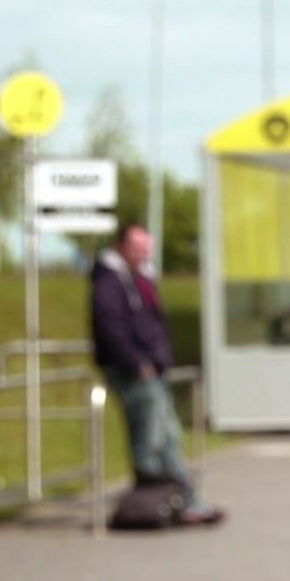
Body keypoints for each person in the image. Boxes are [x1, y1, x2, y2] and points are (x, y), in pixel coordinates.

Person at [90, 223, 223, 526]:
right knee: (149, 443)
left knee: (168, 438)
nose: (143, 254)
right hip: (135, 373)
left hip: (152, 370)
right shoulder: (110, 283)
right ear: (121, 247)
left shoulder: (140, 279)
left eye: (146, 248)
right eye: (137, 248)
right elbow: (111, 329)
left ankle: (183, 500)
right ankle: (149, 505)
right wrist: (137, 363)